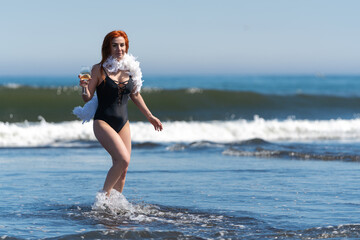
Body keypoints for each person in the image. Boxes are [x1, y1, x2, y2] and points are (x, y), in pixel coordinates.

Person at [79, 30, 163, 196]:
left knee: (123, 169)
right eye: (115, 45)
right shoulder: (98, 69)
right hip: (103, 122)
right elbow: (87, 98)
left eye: (122, 45)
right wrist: (83, 86)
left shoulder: (130, 69)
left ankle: (113, 206)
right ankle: (102, 198)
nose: (119, 49)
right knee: (123, 160)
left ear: (127, 46)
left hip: (123, 123)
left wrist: (150, 116)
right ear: (108, 48)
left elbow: (135, 94)